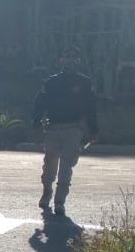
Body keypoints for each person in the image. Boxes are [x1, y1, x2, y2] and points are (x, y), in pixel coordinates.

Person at [32, 45, 98, 216]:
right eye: (67, 56)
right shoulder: (51, 82)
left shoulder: (85, 83)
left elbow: (91, 108)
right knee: (49, 167)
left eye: (74, 57)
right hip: (53, 129)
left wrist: (93, 130)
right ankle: (47, 191)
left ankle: (60, 202)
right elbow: (39, 104)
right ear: (61, 60)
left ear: (79, 61)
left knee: (66, 168)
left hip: (73, 130)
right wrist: (36, 125)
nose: (70, 60)